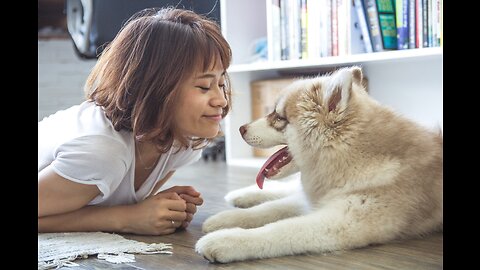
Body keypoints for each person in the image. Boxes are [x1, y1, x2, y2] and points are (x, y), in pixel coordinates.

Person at [38, 7, 232, 236]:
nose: (221, 100)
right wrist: (126, 218)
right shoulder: (101, 152)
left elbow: (113, 201)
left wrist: (160, 208)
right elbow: (122, 212)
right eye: (203, 87)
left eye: (221, 84)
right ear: (154, 89)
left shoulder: (181, 142)